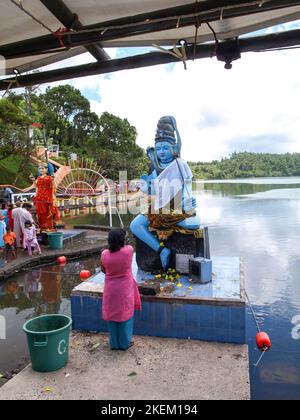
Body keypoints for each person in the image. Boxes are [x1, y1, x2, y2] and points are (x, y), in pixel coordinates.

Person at [101, 229, 141, 351]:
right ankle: (124, 344)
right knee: (125, 315)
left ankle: (114, 344)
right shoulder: (128, 251)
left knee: (112, 316)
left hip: (110, 289)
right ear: (122, 240)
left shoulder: (104, 254)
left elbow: (103, 269)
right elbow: (129, 245)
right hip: (124, 290)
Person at [30, 161, 59, 232]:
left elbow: (54, 187)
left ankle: (49, 227)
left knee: (48, 213)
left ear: (46, 169)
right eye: (40, 169)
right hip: (40, 198)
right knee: (40, 214)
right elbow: (36, 187)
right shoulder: (38, 178)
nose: (41, 170)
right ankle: (42, 228)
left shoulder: (49, 178)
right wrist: (33, 180)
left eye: (43, 168)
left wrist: (53, 179)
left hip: (47, 198)